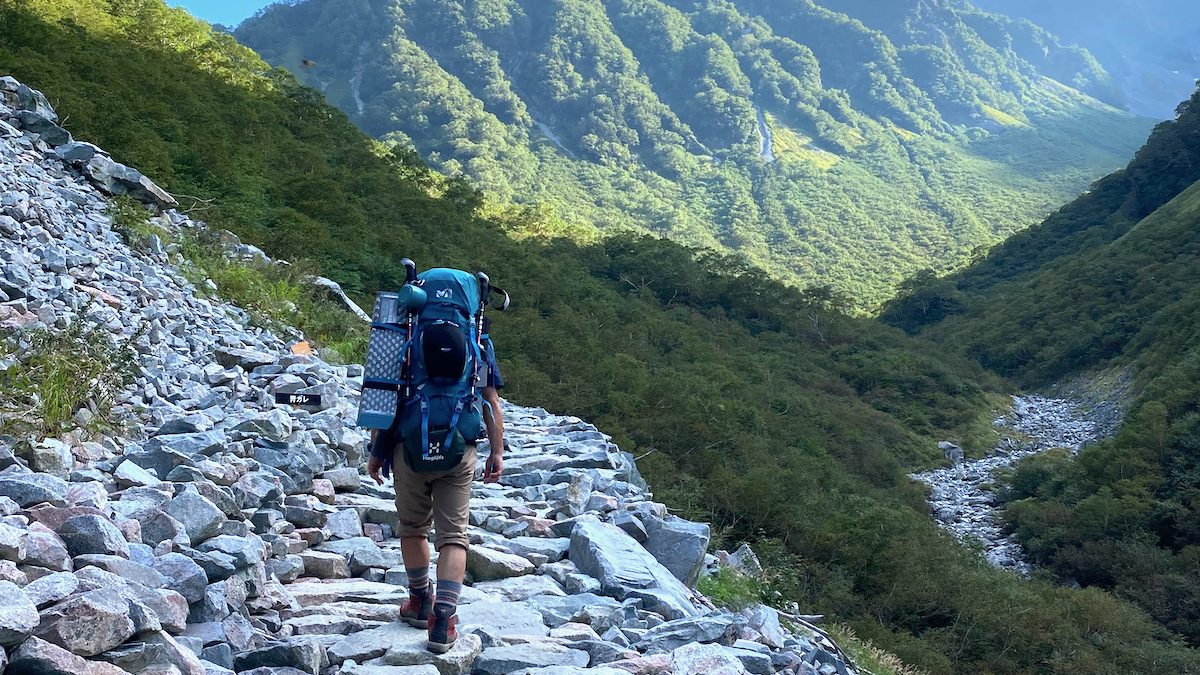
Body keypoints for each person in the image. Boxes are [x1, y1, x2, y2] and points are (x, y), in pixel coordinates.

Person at [367, 319, 506, 653]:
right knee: (454, 536)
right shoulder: (477, 343)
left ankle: (419, 603)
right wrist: (497, 451)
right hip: (459, 449)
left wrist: (377, 452)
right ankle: (443, 621)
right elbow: (490, 400)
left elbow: (382, 394)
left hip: (409, 447)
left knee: (413, 528)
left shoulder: (405, 338)